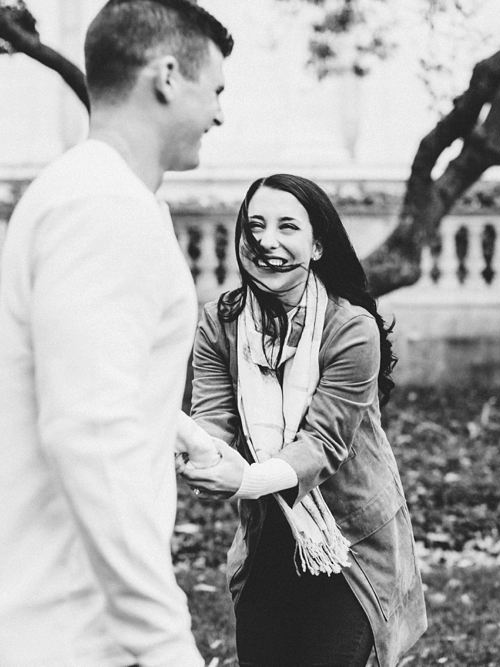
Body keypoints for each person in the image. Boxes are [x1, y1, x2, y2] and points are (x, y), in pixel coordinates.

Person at [0, 2, 232, 666]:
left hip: (55, 618)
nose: (220, 115)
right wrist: (166, 646)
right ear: (166, 76)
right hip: (58, 626)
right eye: (215, 91)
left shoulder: (96, 193)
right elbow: (89, 430)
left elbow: (77, 377)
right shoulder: (104, 207)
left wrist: (177, 430)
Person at [179, 174, 428, 667]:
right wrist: (198, 451)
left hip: (350, 545)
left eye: (287, 226)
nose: (266, 240)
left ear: (317, 247)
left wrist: (246, 478)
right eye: (255, 225)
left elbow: (323, 444)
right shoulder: (219, 322)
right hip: (267, 538)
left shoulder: (350, 328)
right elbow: (214, 418)